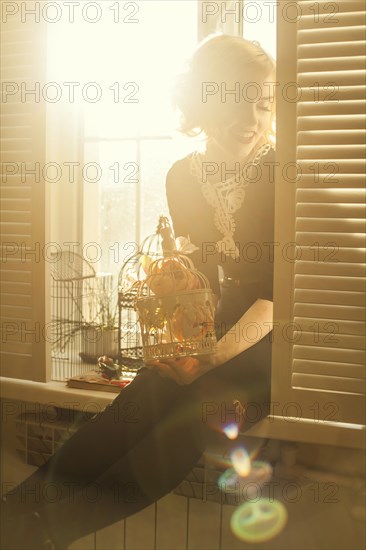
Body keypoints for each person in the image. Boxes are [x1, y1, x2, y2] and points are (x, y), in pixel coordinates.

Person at [1, 34, 276, 550]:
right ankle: (14, 515)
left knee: (196, 410)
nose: (253, 119)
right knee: (142, 397)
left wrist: (210, 357)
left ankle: (43, 533)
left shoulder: (281, 174)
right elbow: (197, 285)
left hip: (273, 343)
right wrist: (181, 349)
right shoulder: (182, 178)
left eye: (263, 104)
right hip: (217, 334)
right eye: (238, 101)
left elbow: (276, 297)